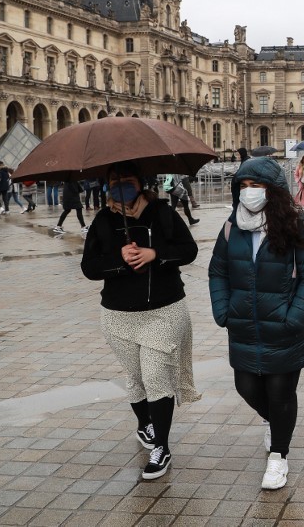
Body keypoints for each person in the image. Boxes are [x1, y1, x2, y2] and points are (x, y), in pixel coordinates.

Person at [208, 157, 304, 490]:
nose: (249, 193)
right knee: (246, 386)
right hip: (244, 325)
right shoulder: (232, 226)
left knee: (280, 391)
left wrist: (296, 316)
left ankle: (278, 457)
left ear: (272, 190)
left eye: (255, 186)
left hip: (285, 325)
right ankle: (275, 422)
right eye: (243, 186)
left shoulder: (295, 223)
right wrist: (223, 310)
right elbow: (218, 271)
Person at [82, 161, 199, 480]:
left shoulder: (162, 212)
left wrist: (154, 254)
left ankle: (161, 447)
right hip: (118, 315)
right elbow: (89, 267)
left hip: (164, 309)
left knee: (156, 376)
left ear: (140, 182)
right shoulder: (103, 220)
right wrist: (118, 260)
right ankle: (144, 424)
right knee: (136, 377)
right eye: (114, 180)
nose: (120, 185)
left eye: (127, 179)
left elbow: (189, 250)